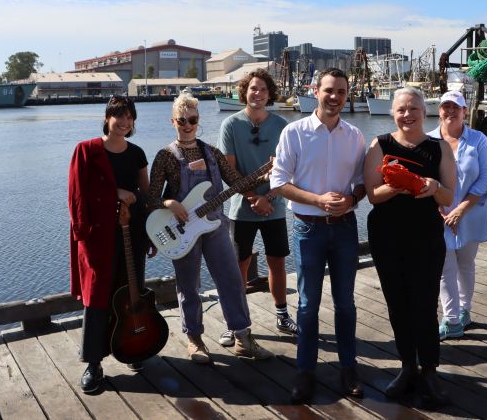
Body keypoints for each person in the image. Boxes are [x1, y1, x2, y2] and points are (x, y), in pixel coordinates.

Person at [147, 91, 273, 363]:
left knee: (230, 279)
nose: (188, 125)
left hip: (215, 226)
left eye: (192, 119)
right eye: (182, 120)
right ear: (173, 121)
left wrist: (265, 174)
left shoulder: (212, 153)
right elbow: (150, 198)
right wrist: (169, 202)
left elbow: (238, 183)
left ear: (198, 119)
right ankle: (194, 339)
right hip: (181, 230)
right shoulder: (165, 156)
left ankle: (242, 336)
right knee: (189, 286)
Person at [270, 68, 366, 403]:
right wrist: (319, 200)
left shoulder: (354, 135)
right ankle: (305, 371)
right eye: (329, 90)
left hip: (344, 228)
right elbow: (279, 182)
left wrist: (352, 200)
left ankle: (348, 367)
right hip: (307, 228)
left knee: (346, 304)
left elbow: (361, 182)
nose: (335, 97)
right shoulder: (294, 133)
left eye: (341, 91)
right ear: (316, 90)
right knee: (308, 305)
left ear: (347, 94)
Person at [363, 87, 456, 405]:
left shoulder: (439, 147)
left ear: (424, 111)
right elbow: (372, 195)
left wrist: (432, 187)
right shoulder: (380, 144)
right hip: (387, 235)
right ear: (393, 112)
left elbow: (449, 197)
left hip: (426, 235)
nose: (408, 114)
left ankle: (429, 369)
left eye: (414, 108)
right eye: (401, 109)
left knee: (425, 303)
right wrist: (397, 185)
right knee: (397, 303)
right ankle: (406, 366)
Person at [68, 95, 154, 393]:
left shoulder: (137, 153)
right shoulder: (86, 151)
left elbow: (145, 197)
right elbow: (78, 196)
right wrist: (115, 191)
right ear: (107, 117)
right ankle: (94, 362)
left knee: (132, 294)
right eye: (118, 115)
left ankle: (134, 348)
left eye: (129, 116)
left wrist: (152, 234)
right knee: (98, 299)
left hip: (132, 235)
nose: (124, 122)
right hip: (97, 238)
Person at [217, 69, 297, 344]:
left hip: (274, 205)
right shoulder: (230, 125)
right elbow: (229, 169)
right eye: (253, 88)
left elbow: (287, 168)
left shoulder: (282, 126)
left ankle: (283, 314)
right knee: (238, 265)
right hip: (242, 208)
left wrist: (269, 199)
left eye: (263, 89)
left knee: (277, 262)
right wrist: (253, 197)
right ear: (244, 92)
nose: (258, 94)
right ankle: (235, 321)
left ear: (269, 94)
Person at [428, 91, 487, 340]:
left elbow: (486, 178)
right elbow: (423, 179)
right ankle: (452, 320)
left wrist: (460, 210)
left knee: (466, 264)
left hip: (471, 213)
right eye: (446, 107)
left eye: (456, 107)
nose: (450, 112)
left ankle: (465, 310)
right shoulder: (429, 140)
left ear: (465, 111)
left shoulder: (478, 140)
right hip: (440, 215)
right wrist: (440, 209)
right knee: (445, 266)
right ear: (439, 110)